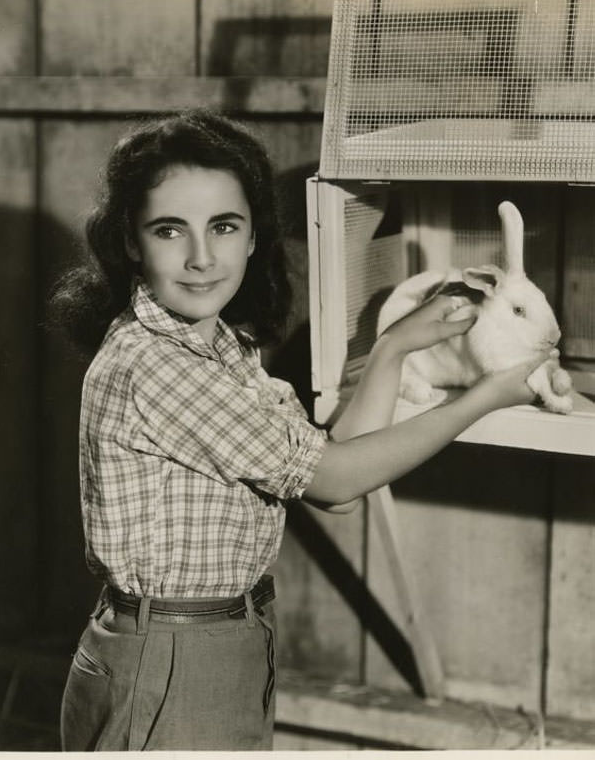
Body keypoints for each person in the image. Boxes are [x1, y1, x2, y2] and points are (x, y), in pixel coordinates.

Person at [50, 109, 548, 751]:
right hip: (170, 657)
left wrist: (393, 348)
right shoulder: (155, 364)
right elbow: (337, 478)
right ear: (130, 242)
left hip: (223, 641)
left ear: (254, 236)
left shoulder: (220, 346)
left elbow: (335, 477)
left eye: (224, 227)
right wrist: (483, 397)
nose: (202, 258)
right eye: (171, 230)